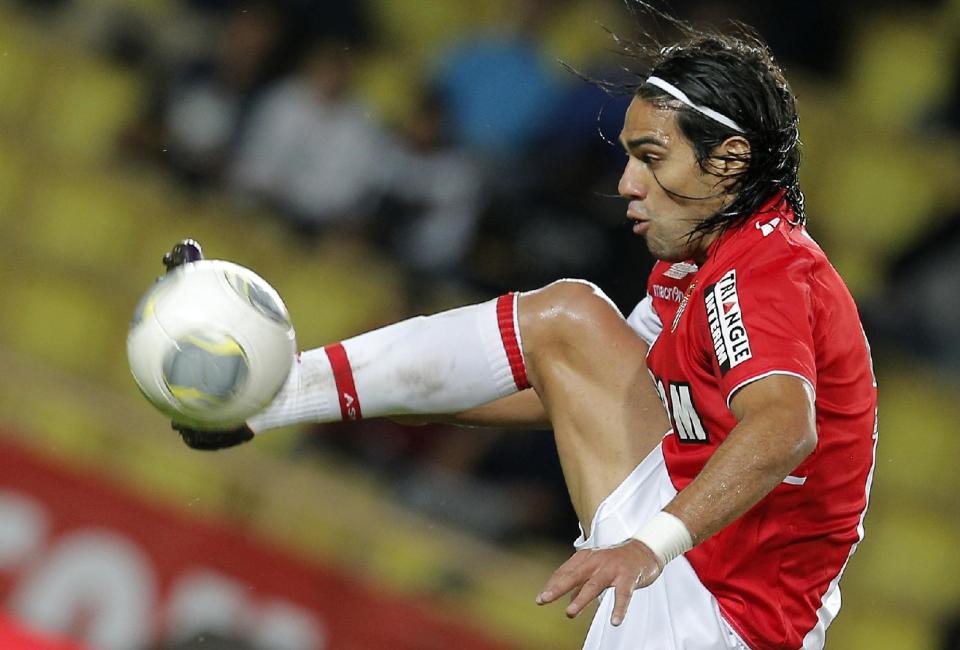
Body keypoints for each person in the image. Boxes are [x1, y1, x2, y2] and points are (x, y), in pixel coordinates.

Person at [163, 12, 877, 650]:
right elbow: (559, 381)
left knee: (568, 314)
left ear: (728, 161)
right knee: (564, 325)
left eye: (652, 158)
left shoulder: (766, 272)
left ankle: (276, 389)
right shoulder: (699, 268)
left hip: (714, 616)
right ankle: (272, 395)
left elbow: (785, 426)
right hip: (694, 596)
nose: (627, 182)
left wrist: (646, 549)